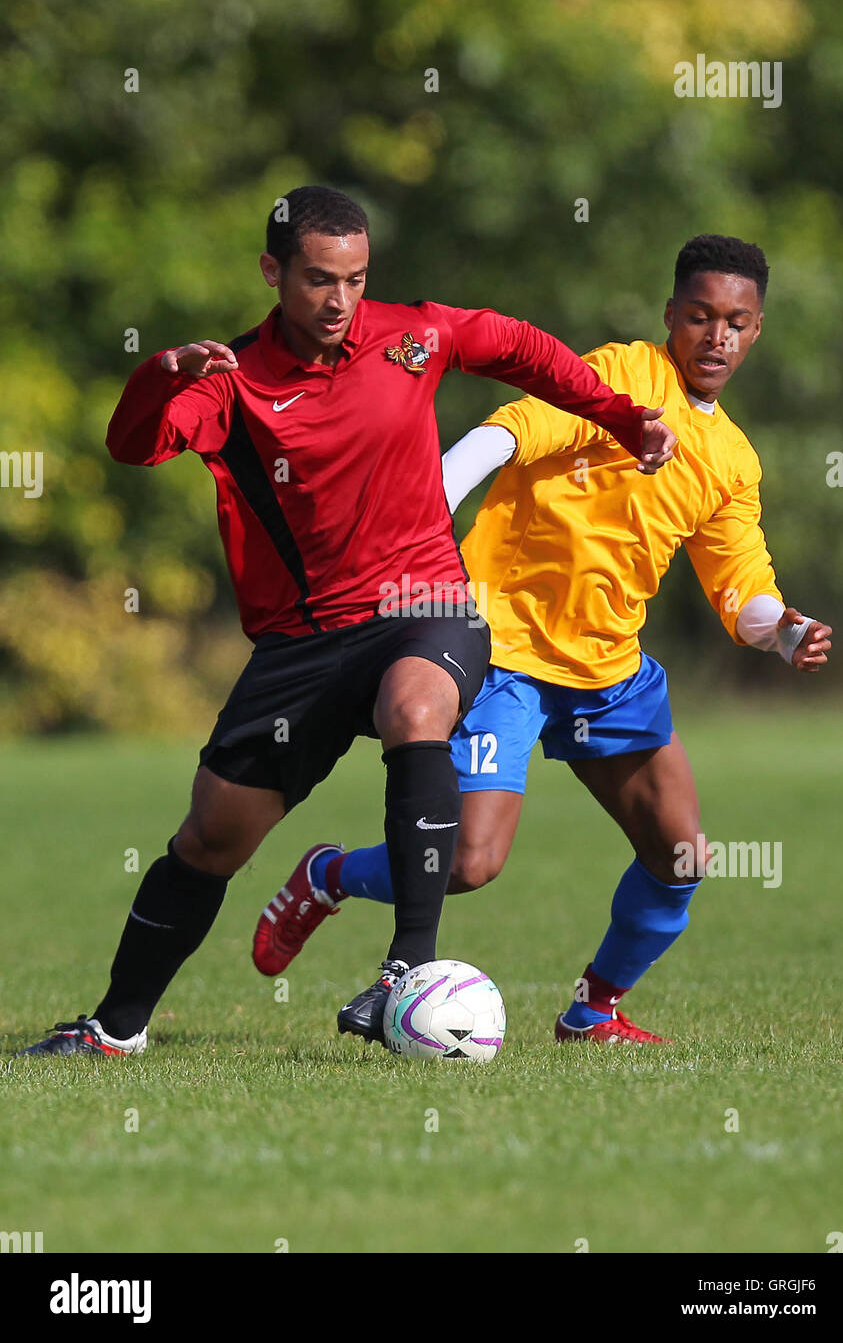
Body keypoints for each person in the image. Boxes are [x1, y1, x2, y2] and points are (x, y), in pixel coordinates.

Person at [18, 185, 675, 1057]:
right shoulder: (233, 384)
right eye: (320, 280)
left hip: (425, 607)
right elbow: (132, 444)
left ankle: (406, 972)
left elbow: (518, 349)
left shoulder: (413, 335)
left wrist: (622, 416)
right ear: (273, 272)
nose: (340, 301)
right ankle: (115, 1029)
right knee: (211, 837)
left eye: (357, 279)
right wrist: (160, 374)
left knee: (415, 710)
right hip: (303, 643)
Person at [257, 233, 832, 1044]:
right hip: (507, 658)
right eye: (700, 317)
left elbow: (742, 591)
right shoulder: (623, 378)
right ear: (672, 316)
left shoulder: (733, 460)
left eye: (736, 323)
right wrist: (432, 501)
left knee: (681, 860)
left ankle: (593, 1008)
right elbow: (513, 428)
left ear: (757, 330)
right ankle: (329, 874)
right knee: (470, 864)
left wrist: (787, 632)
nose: (717, 337)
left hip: (609, 672)